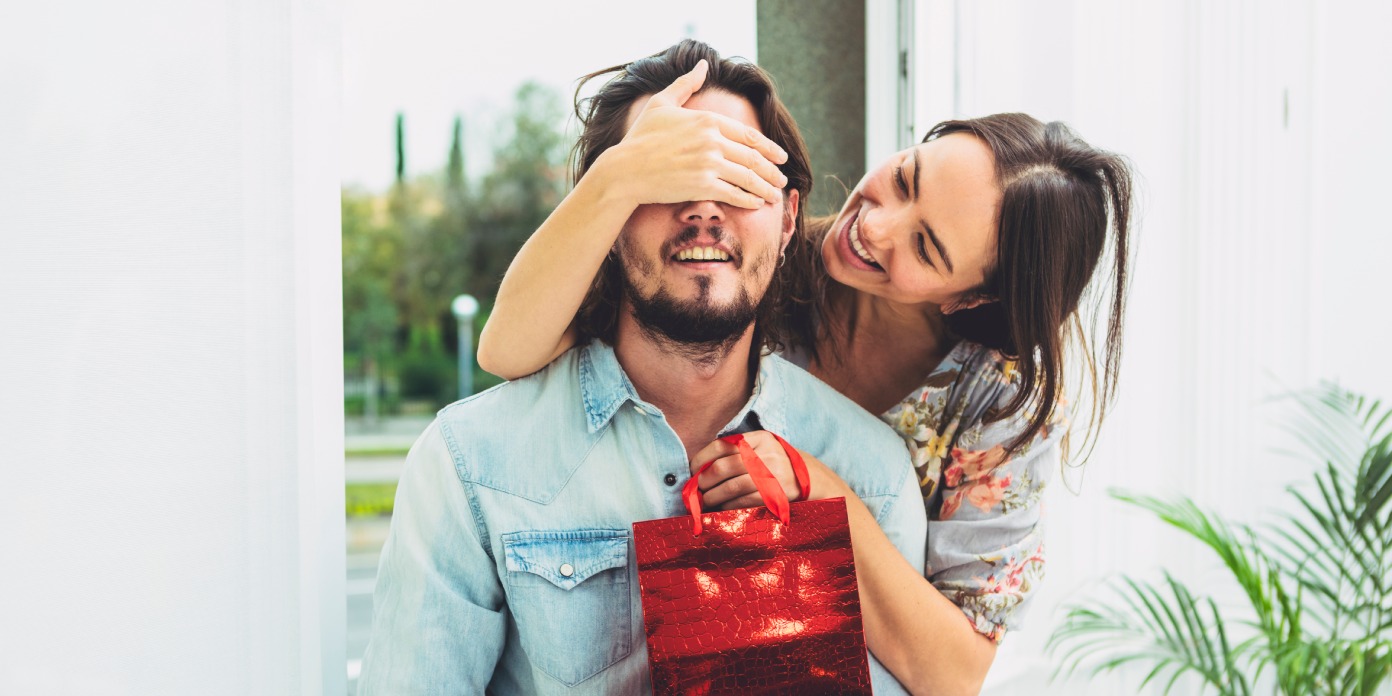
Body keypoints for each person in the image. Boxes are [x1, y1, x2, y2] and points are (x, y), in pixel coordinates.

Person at [478, 40, 1135, 695]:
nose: (877, 226)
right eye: (905, 179)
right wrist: (617, 176)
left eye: (926, 247)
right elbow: (508, 351)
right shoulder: (763, 264)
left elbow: (957, 675)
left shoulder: (1001, 398)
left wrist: (821, 494)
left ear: (972, 296)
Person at [356, 40, 929, 695]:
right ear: (606, 213)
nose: (706, 209)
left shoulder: (870, 475)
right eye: (667, 175)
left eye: (739, 176)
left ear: (789, 215)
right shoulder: (472, 465)